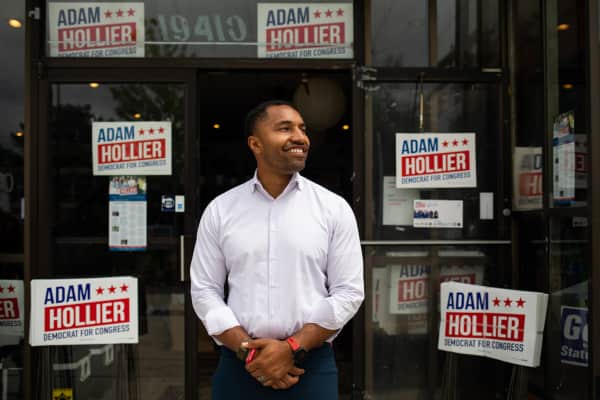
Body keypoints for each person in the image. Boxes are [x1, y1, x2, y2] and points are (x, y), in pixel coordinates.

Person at [190, 100, 364, 399]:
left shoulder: (333, 209)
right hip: (240, 366)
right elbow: (205, 291)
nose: (300, 137)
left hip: (310, 368)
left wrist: (292, 347)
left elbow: (349, 292)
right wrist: (250, 353)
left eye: (302, 129)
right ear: (255, 144)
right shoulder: (221, 210)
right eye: (285, 128)